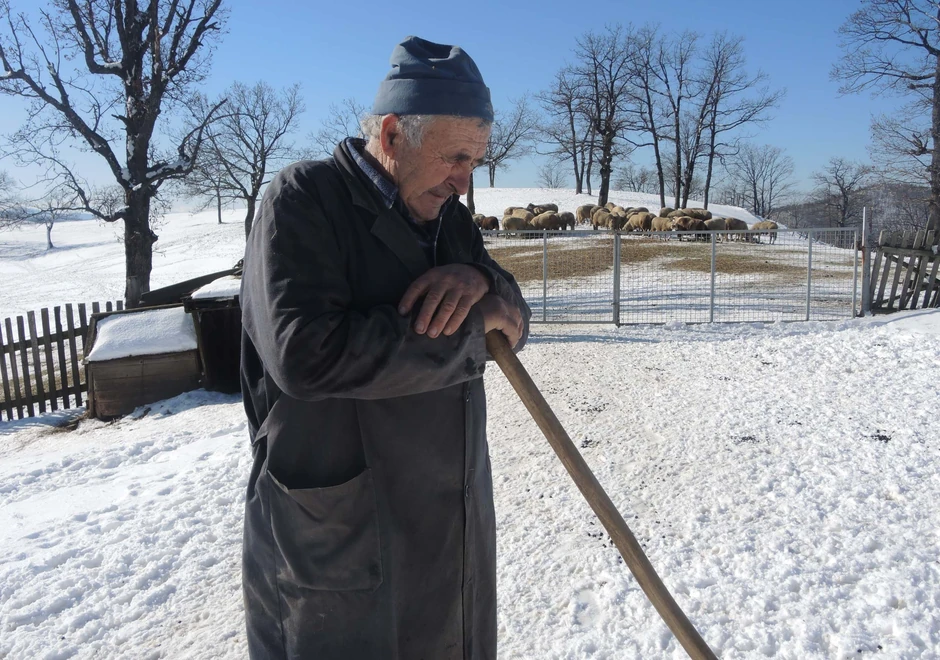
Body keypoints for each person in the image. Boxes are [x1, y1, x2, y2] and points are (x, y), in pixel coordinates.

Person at [239, 36, 531, 659]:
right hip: (344, 526)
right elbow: (306, 355)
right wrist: (468, 332)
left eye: (475, 162)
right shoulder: (304, 200)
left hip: (447, 516)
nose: (464, 182)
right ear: (394, 135)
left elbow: (509, 316)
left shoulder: (447, 220)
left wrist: (481, 280)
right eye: (456, 157)